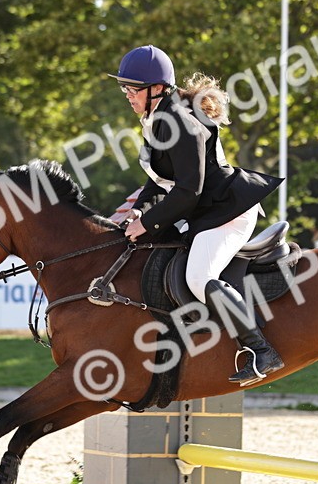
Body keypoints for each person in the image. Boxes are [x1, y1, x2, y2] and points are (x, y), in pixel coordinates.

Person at [109, 45, 284, 385]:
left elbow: (189, 190)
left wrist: (148, 222)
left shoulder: (181, 122)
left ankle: (262, 349)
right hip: (206, 213)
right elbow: (157, 182)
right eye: (124, 88)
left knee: (199, 277)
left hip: (228, 212)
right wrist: (136, 213)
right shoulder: (157, 120)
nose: (127, 95)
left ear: (156, 88)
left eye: (132, 88)